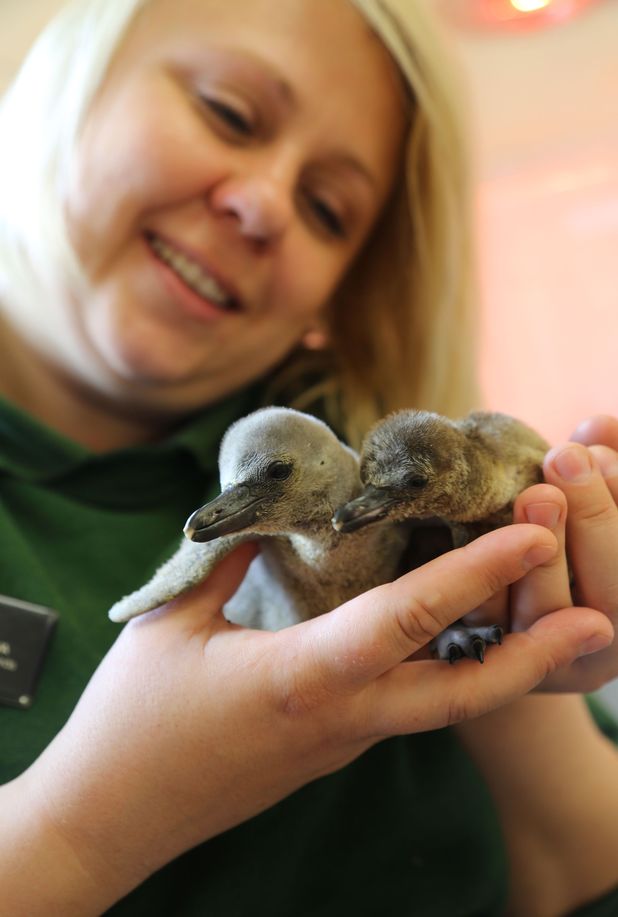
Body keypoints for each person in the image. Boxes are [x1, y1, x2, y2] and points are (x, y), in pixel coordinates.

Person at [0, 1, 617, 914]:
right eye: (229, 112)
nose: (260, 205)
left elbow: (575, 863)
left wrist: (518, 643)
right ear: (68, 72)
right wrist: (89, 825)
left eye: (329, 209)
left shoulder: (393, 476)